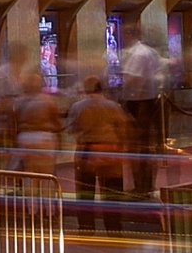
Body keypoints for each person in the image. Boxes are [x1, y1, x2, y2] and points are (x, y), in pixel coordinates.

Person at [66, 77, 127, 230]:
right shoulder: (113, 106)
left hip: (86, 151)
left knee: (85, 191)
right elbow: (123, 128)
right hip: (110, 149)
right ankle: (114, 227)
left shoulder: (78, 106)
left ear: (86, 89)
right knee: (112, 192)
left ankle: (86, 226)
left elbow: (71, 129)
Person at [117, 23, 165, 195]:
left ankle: (141, 185)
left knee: (137, 147)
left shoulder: (138, 54)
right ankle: (146, 183)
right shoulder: (150, 52)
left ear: (130, 35)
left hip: (139, 103)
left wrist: (121, 96)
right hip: (148, 102)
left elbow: (133, 79)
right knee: (145, 147)